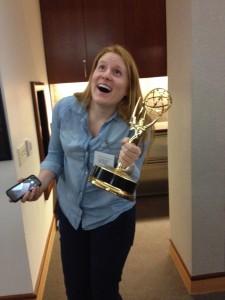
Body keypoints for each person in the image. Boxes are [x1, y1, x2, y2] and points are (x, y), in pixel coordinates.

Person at [18, 45, 151, 300]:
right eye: (101, 68)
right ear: (92, 75)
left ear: (127, 89)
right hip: (71, 215)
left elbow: (130, 184)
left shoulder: (137, 126)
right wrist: (39, 183)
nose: (106, 75)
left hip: (112, 218)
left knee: (104, 291)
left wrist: (127, 165)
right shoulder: (64, 110)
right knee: (76, 291)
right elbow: (55, 156)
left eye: (117, 72)